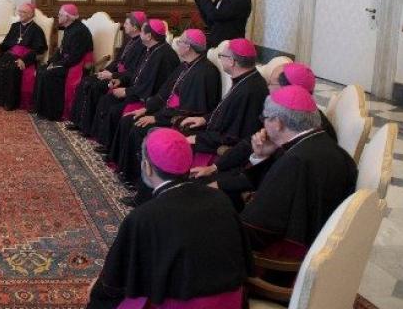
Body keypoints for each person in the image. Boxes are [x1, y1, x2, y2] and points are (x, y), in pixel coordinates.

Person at [68, 129, 251, 309]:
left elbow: (114, 283)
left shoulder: (144, 217)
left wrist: (99, 287)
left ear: (146, 167)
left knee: (100, 301)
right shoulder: (220, 200)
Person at [192, 62, 336, 210]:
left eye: (271, 83)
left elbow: (277, 178)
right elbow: (251, 144)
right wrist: (216, 167)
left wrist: (224, 183)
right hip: (256, 177)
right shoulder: (290, 112)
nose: (266, 86)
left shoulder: (299, 127)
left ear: (288, 90)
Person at [240, 87, 357, 263]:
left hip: (289, 259)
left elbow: (257, 228)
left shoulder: (295, 162)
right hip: (321, 246)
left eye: (264, 119)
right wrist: (261, 156)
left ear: (278, 123)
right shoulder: (334, 150)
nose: (262, 124)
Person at [110, 29, 222, 206]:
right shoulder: (185, 65)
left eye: (181, 41)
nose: (177, 44)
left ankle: (144, 188)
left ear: (189, 47)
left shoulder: (205, 72)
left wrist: (157, 119)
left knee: (140, 131)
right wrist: (146, 109)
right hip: (166, 113)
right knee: (130, 121)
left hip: (180, 122)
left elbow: (191, 110)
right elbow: (163, 93)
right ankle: (131, 176)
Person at [85, 19, 178, 150]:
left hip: (147, 98)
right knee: (106, 100)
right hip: (137, 90)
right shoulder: (151, 49)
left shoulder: (164, 56)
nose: (140, 34)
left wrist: (127, 91)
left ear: (149, 36)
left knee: (114, 109)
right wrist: (121, 81)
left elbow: (152, 86)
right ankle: (104, 141)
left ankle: (111, 148)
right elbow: (136, 73)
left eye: (142, 32)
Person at [178, 38, 268, 167]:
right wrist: (204, 119)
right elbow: (225, 112)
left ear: (231, 61)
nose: (220, 59)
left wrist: (199, 139)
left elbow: (233, 135)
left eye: (222, 56)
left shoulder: (249, 91)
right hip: (215, 134)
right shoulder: (246, 79)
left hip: (225, 150)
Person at [67, 11, 147, 133]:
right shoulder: (129, 40)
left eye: (126, 23)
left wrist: (112, 75)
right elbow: (117, 61)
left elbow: (135, 71)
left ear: (135, 27)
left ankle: (87, 128)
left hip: (123, 80)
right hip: (114, 74)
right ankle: (79, 122)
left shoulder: (142, 46)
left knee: (95, 87)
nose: (123, 25)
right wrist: (105, 71)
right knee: (85, 81)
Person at [32, 4, 93, 121]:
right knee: (42, 69)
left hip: (75, 65)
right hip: (67, 61)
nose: (58, 16)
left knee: (49, 74)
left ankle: (54, 113)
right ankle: (40, 108)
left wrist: (57, 65)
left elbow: (75, 56)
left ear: (68, 17)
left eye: (60, 14)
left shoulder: (79, 31)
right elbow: (61, 50)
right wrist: (51, 62)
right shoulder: (70, 28)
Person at [0, 2, 48, 110]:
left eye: (23, 12)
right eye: (19, 11)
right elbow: (6, 43)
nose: (20, 14)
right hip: (10, 55)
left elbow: (39, 50)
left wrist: (25, 60)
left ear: (31, 14)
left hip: (24, 57)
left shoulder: (37, 30)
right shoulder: (15, 26)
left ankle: (9, 102)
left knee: (12, 70)